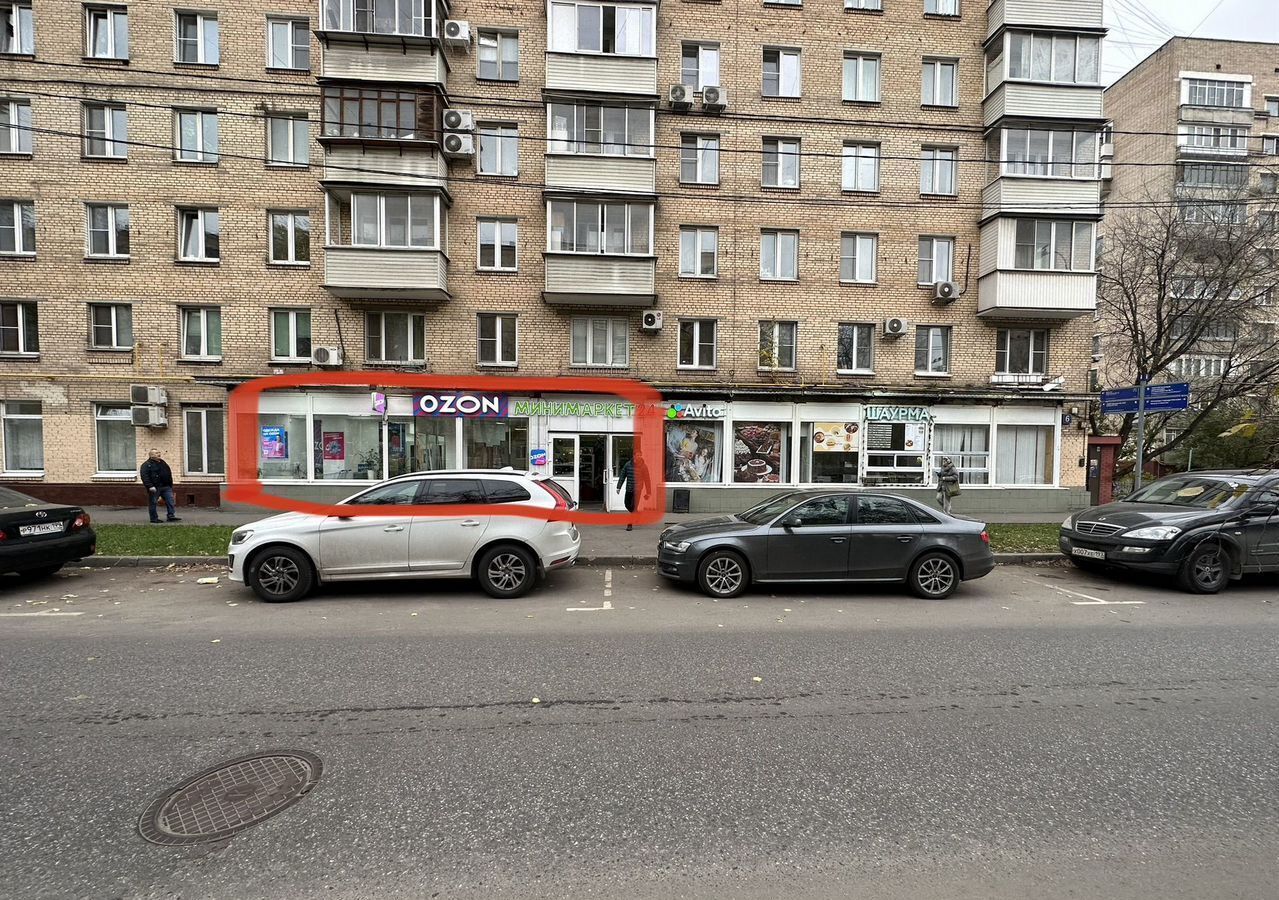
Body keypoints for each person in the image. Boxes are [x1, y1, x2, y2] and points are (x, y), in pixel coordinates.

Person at [140, 449, 181, 523]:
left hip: (166, 486)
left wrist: (170, 484)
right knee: (153, 502)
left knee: (170, 501)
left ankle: (171, 515)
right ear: (151, 455)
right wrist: (150, 486)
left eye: (159, 452)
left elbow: (168, 472)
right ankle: (154, 518)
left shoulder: (162, 462)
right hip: (155, 487)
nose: (159, 454)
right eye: (156, 453)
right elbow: (144, 476)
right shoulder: (146, 465)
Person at [615, 449, 649, 531]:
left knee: (633, 507)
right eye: (638, 455)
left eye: (640, 455)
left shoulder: (643, 466)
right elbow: (622, 476)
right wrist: (618, 487)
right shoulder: (628, 465)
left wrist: (648, 492)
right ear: (634, 456)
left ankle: (629, 524)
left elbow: (647, 479)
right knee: (627, 504)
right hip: (629, 489)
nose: (639, 457)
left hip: (638, 490)